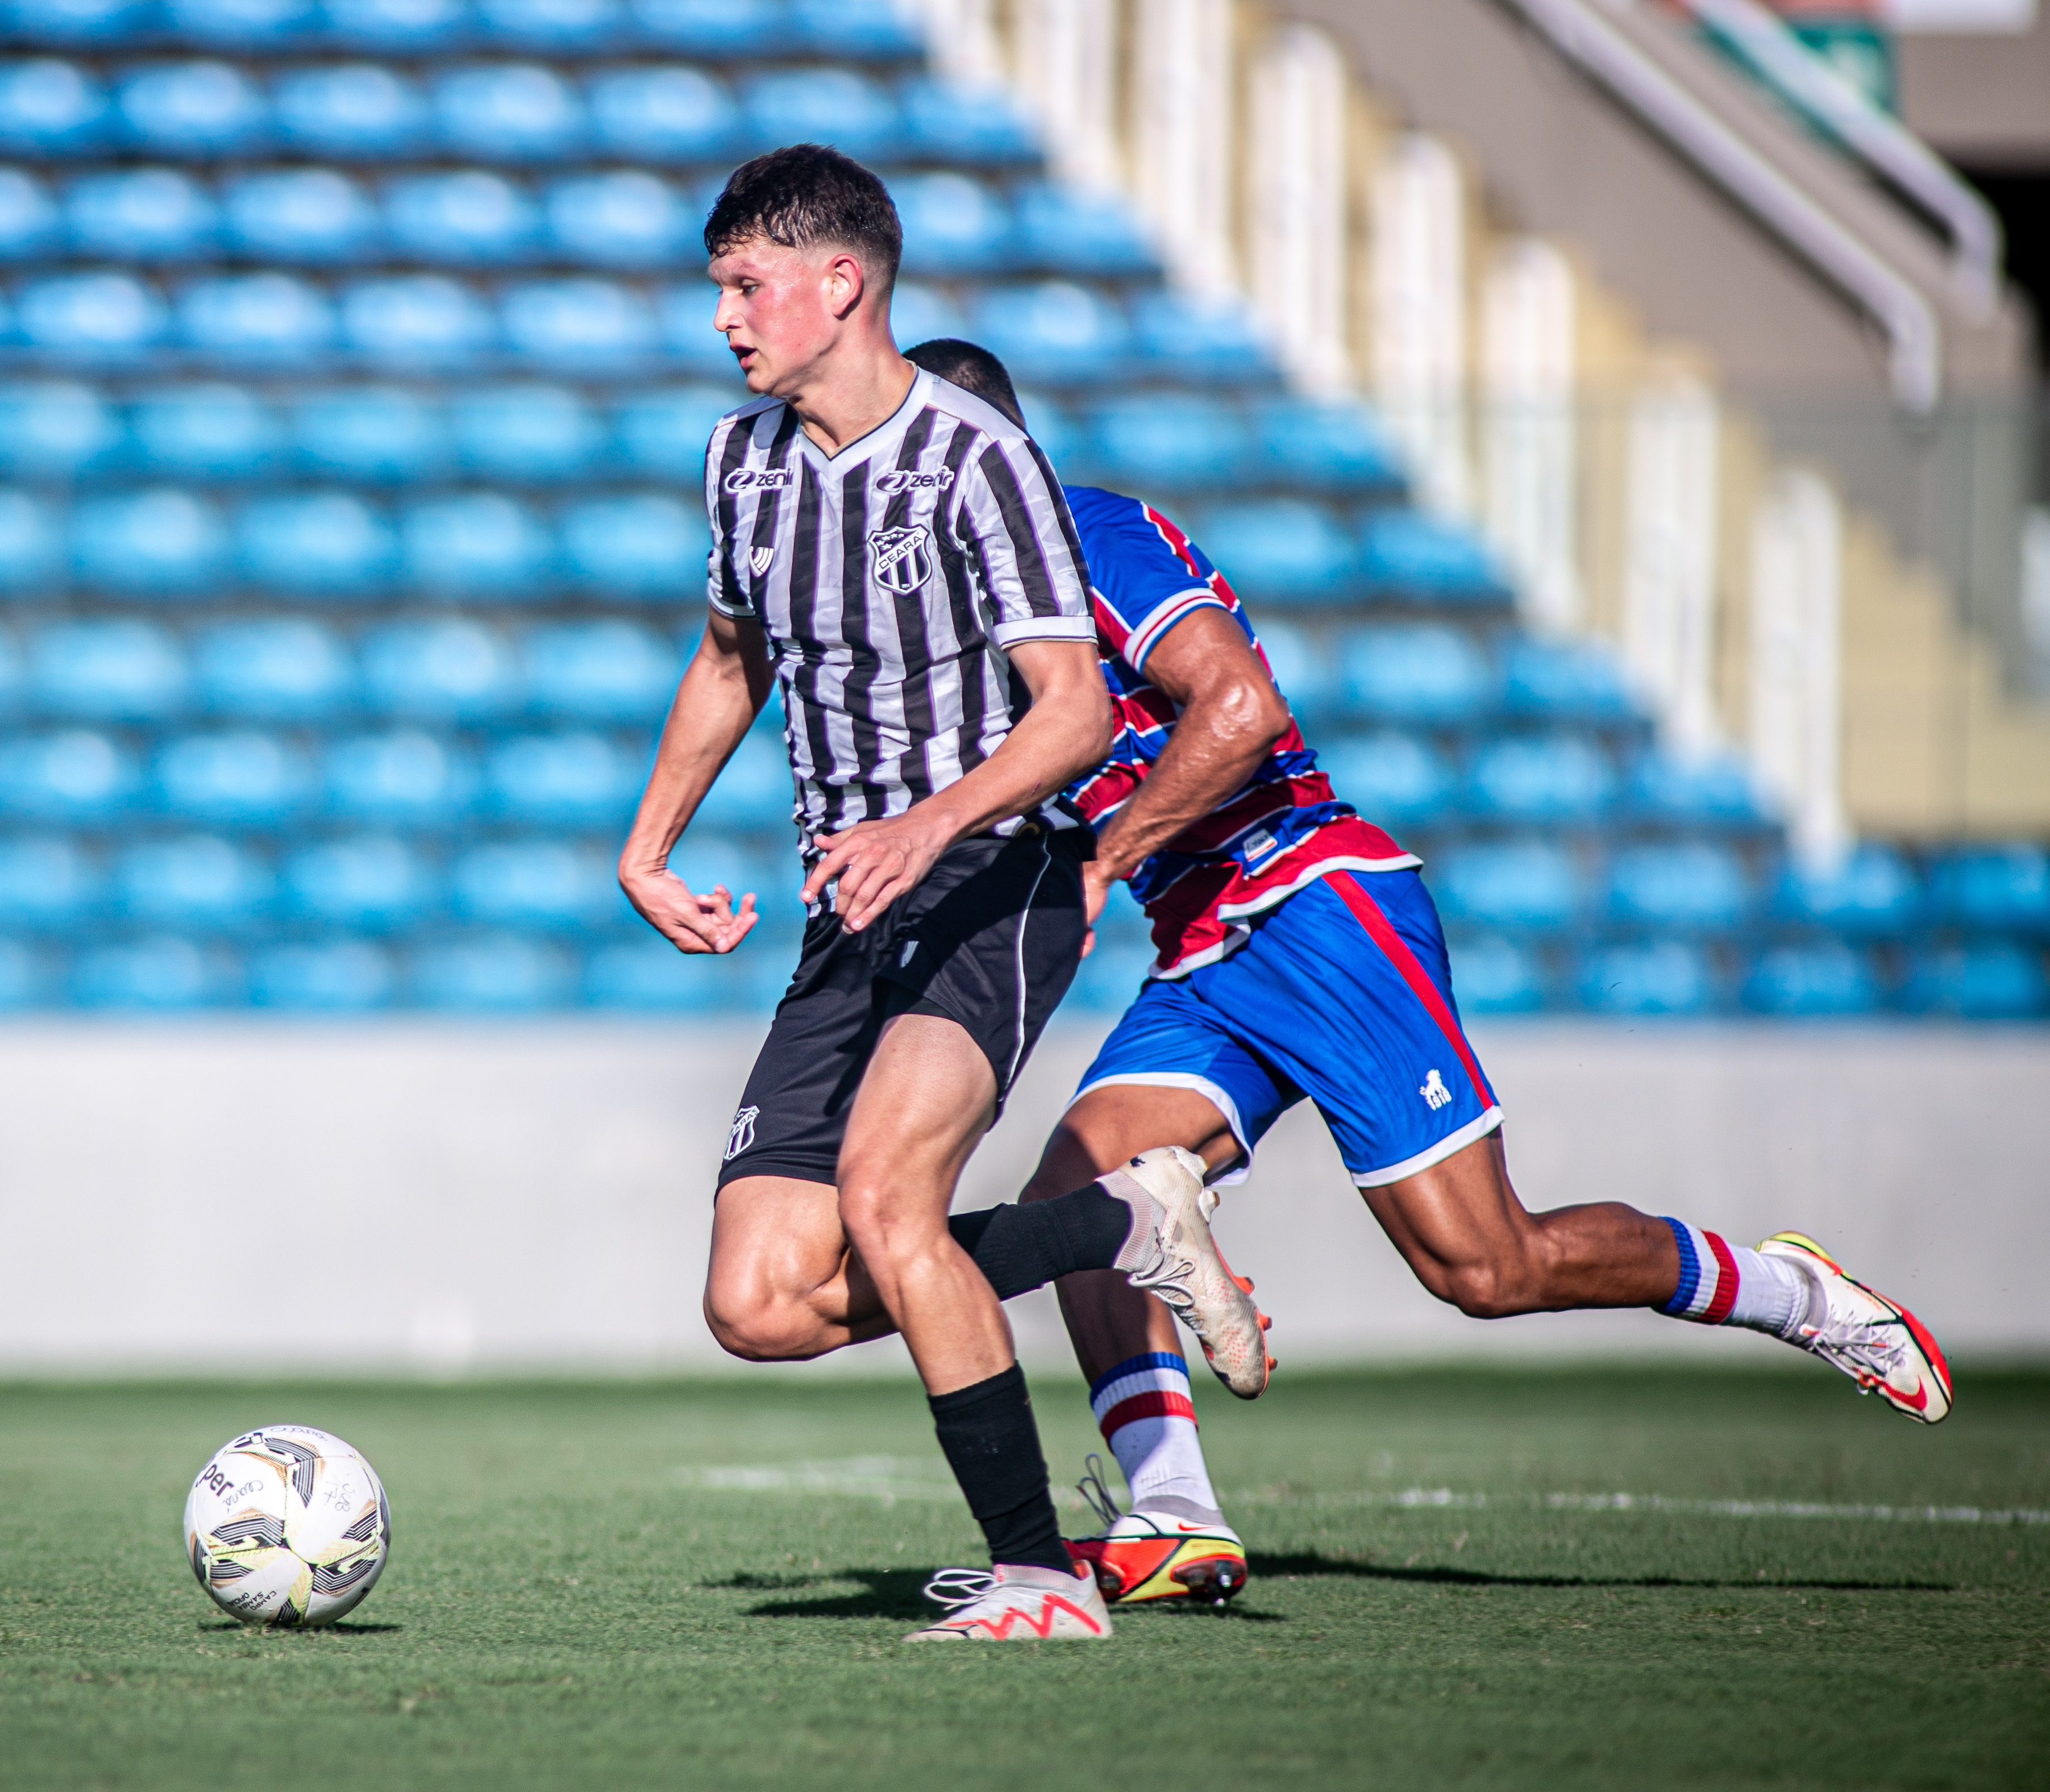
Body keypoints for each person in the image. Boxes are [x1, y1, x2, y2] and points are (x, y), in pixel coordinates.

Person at [894, 336, 1956, 1610]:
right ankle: (1176, 1514)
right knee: (1084, 1194)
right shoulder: (972, 609)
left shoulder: (1091, 541)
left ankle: (1790, 1288)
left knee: (1484, 1269)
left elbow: (1242, 712)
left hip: (1313, 906)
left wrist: (1099, 857)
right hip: (1205, 945)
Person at [618, 144, 1137, 1643]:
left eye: (743, 284)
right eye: (720, 287)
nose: (724, 315)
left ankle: (1042, 1575)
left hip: (993, 876)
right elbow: (730, 661)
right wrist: (648, 845)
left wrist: (934, 819)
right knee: (759, 1302)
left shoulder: (977, 457)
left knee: (886, 1200)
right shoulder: (742, 462)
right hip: (848, 908)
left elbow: (1075, 710)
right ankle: (1107, 1226)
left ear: (837, 283)